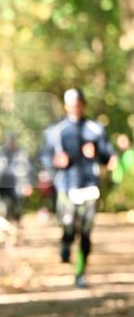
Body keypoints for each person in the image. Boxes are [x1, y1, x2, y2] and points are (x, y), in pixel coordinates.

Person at [40, 88, 115, 288]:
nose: (75, 107)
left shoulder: (95, 129)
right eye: (71, 104)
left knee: (86, 233)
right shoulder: (56, 130)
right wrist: (56, 161)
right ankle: (65, 242)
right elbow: (45, 157)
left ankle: (80, 273)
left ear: (83, 104)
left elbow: (109, 156)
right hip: (66, 186)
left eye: (78, 103)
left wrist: (98, 153)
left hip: (90, 186)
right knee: (69, 227)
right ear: (66, 106)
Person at [0, 133, 33, 223]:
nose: (11, 144)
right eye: (9, 141)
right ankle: (6, 225)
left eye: (12, 141)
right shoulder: (0, 153)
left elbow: (27, 170)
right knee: (3, 208)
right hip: (2, 185)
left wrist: (28, 184)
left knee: (17, 207)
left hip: (18, 184)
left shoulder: (22, 153)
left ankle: (16, 223)